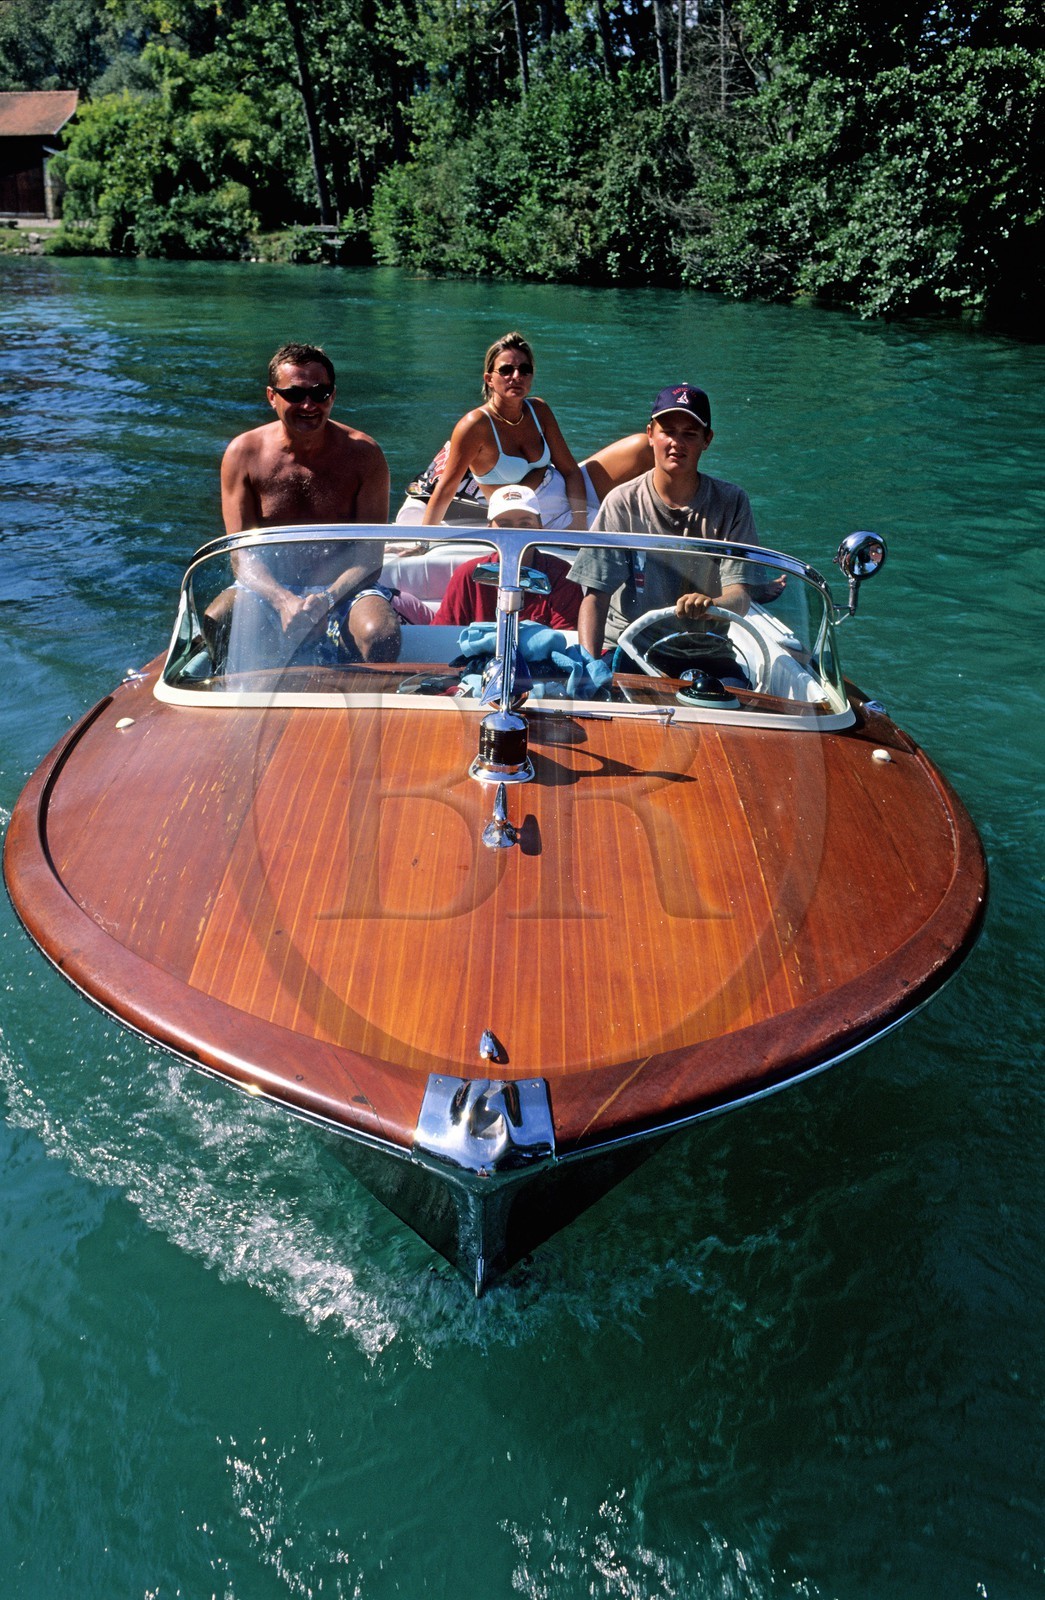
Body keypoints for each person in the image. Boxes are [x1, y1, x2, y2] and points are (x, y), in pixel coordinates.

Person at [569, 384, 769, 678]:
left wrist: (711, 605)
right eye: (668, 431)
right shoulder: (622, 502)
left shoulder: (732, 502)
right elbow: (595, 596)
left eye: (690, 433)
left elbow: (739, 597)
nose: (677, 442)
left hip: (708, 652)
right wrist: (588, 668)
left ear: (707, 440)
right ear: (650, 434)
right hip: (629, 648)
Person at [217, 341, 400, 662]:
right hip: (268, 589)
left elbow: (370, 557)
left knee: (380, 634)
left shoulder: (365, 455)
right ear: (272, 396)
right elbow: (241, 555)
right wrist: (282, 600)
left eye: (320, 393)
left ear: (333, 395)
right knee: (219, 620)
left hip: (343, 590)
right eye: (294, 394)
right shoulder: (243, 454)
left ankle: (368, 708)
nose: (308, 405)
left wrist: (325, 600)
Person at [420, 332, 590, 532]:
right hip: (527, 519)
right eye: (506, 370)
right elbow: (446, 488)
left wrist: (579, 521)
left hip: (569, 504)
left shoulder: (539, 410)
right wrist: (423, 540)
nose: (516, 377)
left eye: (524, 370)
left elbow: (570, 470)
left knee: (637, 448)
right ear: (489, 379)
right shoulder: (475, 426)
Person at [433, 484, 582, 630]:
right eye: (505, 525)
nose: (515, 533)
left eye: (525, 524)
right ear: (489, 531)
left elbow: (566, 640)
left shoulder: (562, 575)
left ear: (540, 528)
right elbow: (444, 635)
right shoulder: (467, 575)